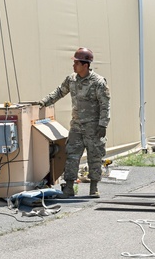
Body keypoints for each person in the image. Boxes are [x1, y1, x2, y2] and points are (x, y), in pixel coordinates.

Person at [37, 47, 110, 198]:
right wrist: (44, 102)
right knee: (71, 156)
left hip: (93, 127)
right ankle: (69, 187)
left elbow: (105, 104)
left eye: (76, 63)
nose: (74, 65)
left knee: (94, 157)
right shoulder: (71, 80)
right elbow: (59, 92)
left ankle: (94, 187)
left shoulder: (98, 82)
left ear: (85, 65)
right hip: (76, 127)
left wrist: (103, 124)